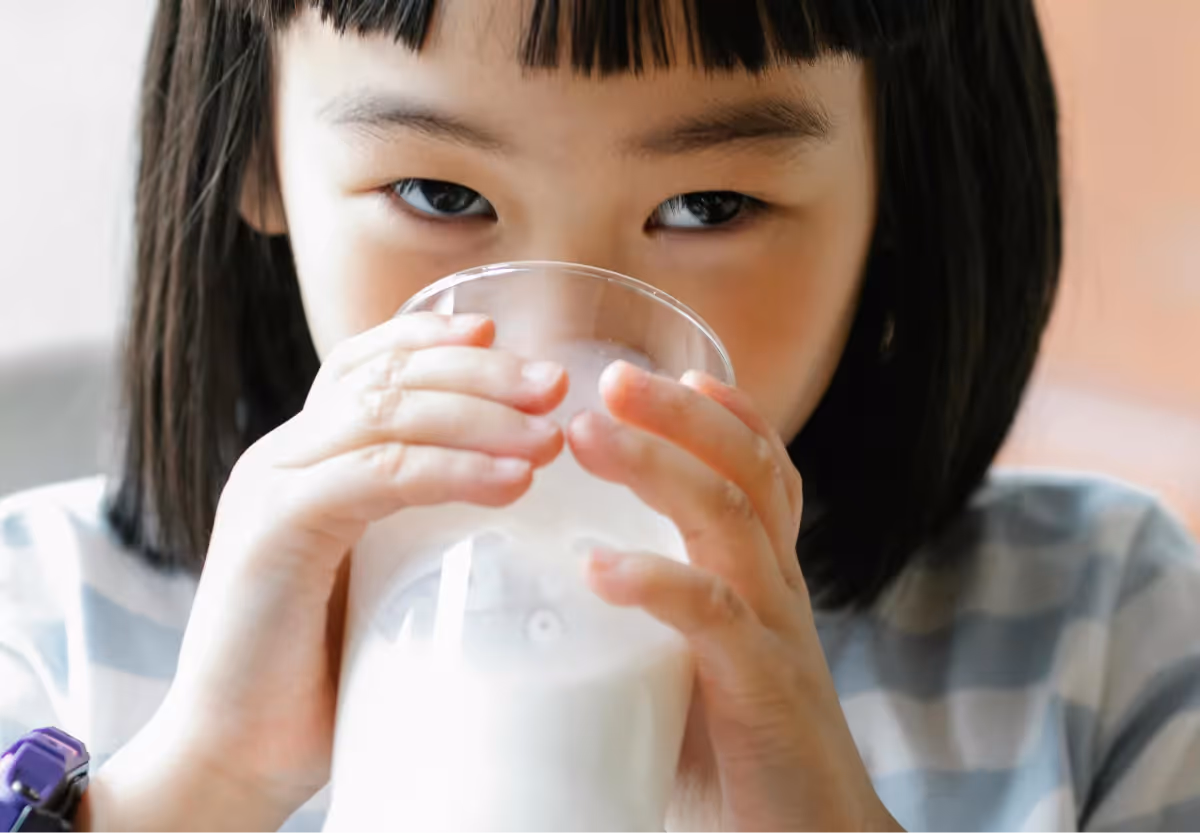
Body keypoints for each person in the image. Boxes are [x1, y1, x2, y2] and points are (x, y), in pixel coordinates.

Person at [1, 0, 1197, 830]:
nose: (558, 348)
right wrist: (194, 786)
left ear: (902, 186)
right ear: (258, 147)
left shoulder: (1103, 629)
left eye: (710, 204)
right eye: (439, 192)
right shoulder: (45, 618)